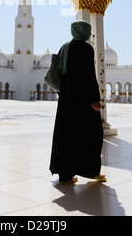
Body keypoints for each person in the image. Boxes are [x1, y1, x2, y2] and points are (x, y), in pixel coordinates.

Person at [49, 20, 105, 184]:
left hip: (66, 98)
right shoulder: (86, 49)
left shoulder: (64, 47)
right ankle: (91, 170)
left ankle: (65, 175)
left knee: (67, 134)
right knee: (93, 133)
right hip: (83, 100)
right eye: (88, 30)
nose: (89, 33)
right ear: (84, 32)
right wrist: (94, 100)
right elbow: (88, 75)